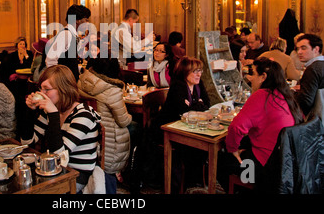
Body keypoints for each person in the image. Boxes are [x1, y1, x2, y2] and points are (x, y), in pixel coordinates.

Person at [219, 58, 303, 192]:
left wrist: (233, 150)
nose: (250, 78)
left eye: (254, 74)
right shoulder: (286, 95)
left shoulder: (262, 95)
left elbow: (236, 128)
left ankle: (241, 188)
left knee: (223, 161)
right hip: (287, 164)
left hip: (266, 167)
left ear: (263, 77)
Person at [24, 65, 101, 193]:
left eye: (46, 89)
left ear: (64, 89)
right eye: (40, 89)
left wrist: (53, 114)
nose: (42, 94)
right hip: (53, 170)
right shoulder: (52, 109)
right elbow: (27, 142)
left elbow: (59, 157)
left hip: (77, 175)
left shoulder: (83, 115)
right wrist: (30, 111)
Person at [138, 56, 211, 191]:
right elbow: (184, 112)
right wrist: (198, 105)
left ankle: (193, 182)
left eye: (200, 70)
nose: (199, 74)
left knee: (203, 147)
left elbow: (207, 105)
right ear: (185, 72)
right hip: (166, 129)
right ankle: (186, 184)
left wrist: (195, 106)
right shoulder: (178, 86)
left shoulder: (198, 84)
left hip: (186, 128)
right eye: (195, 71)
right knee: (196, 147)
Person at [78, 58, 133, 193]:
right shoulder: (112, 90)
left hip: (87, 131)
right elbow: (123, 121)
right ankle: (130, 173)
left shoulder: (81, 82)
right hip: (108, 136)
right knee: (136, 128)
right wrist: (131, 115)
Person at [46, 5, 91, 81]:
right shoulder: (66, 35)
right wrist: (58, 81)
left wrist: (80, 69)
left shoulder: (73, 35)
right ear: (77, 20)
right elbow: (50, 60)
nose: (88, 23)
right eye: (86, 20)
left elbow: (68, 62)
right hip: (64, 83)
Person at [294, 33, 324, 117]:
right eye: (297, 49)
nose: (299, 52)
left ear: (316, 49)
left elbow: (305, 102)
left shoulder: (313, 69)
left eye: (303, 48)